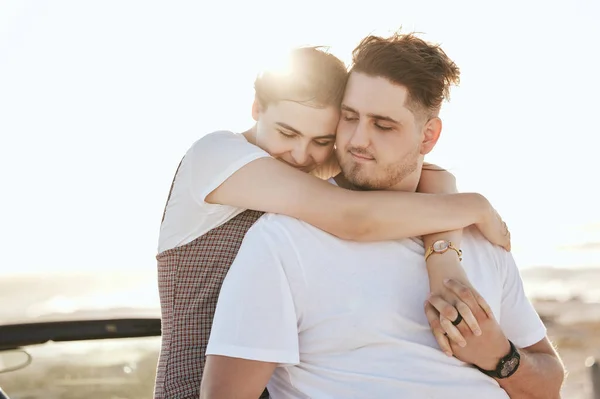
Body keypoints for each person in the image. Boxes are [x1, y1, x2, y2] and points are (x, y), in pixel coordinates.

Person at [201, 32, 565, 399]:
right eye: (349, 117)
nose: (358, 140)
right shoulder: (284, 239)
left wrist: (500, 357)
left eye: (383, 125)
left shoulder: (480, 239)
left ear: (428, 137)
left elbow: (549, 386)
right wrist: (473, 208)